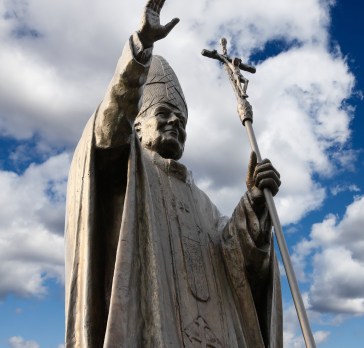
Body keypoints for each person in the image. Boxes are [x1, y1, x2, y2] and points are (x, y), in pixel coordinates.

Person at [64, 1, 283, 347]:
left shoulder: (203, 205)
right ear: (138, 126)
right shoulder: (132, 171)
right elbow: (108, 132)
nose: (174, 123)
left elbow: (237, 263)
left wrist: (255, 204)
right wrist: (139, 54)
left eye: (181, 120)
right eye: (163, 113)